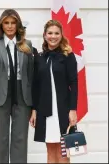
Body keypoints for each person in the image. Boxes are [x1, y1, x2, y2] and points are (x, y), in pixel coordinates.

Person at [0, 9, 34, 163]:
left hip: (22, 95)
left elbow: (31, 76)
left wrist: (33, 106)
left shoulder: (27, 44)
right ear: (1, 25)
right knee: (1, 139)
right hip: (0, 96)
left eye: (13, 23)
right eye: (7, 23)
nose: (10, 26)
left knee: (20, 139)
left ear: (18, 25)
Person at [29, 20, 78, 163]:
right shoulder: (39, 58)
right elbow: (35, 86)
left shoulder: (68, 56)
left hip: (63, 110)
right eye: (50, 33)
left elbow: (74, 83)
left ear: (61, 35)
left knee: (64, 152)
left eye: (57, 33)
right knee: (50, 151)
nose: (53, 36)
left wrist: (73, 109)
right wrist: (34, 110)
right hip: (45, 111)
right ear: (44, 35)